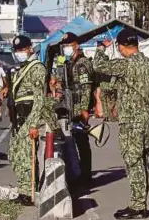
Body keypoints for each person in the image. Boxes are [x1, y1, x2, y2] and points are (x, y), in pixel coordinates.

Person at [93, 29, 149, 219]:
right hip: (148, 121)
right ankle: (139, 202)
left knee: (133, 163)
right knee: (141, 162)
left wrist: (101, 49)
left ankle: (138, 206)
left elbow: (98, 66)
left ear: (122, 46)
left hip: (131, 122)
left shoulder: (125, 65)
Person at [8, 35, 57, 206]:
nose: (19, 53)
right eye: (17, 51)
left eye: (22, 50)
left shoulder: (36, 68)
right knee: (17, 154)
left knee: (27, 155)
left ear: (30, 48)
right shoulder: (23, 68)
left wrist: (34, 123)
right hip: (21, 117)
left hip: (31, 115)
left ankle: (28, 192)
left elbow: (39, 99)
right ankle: (23, 189)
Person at [59, 32, 94, 184]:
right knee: (73, 141)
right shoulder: (69, 63)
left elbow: (86, 87)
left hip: (80, 107)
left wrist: (84, 109)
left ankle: (86, 175)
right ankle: (77, 172)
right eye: (65, 46)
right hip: (71, 106)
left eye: (69, 45)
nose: (66, 48)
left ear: (76, 46)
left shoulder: (82, 63)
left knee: (82, 142)